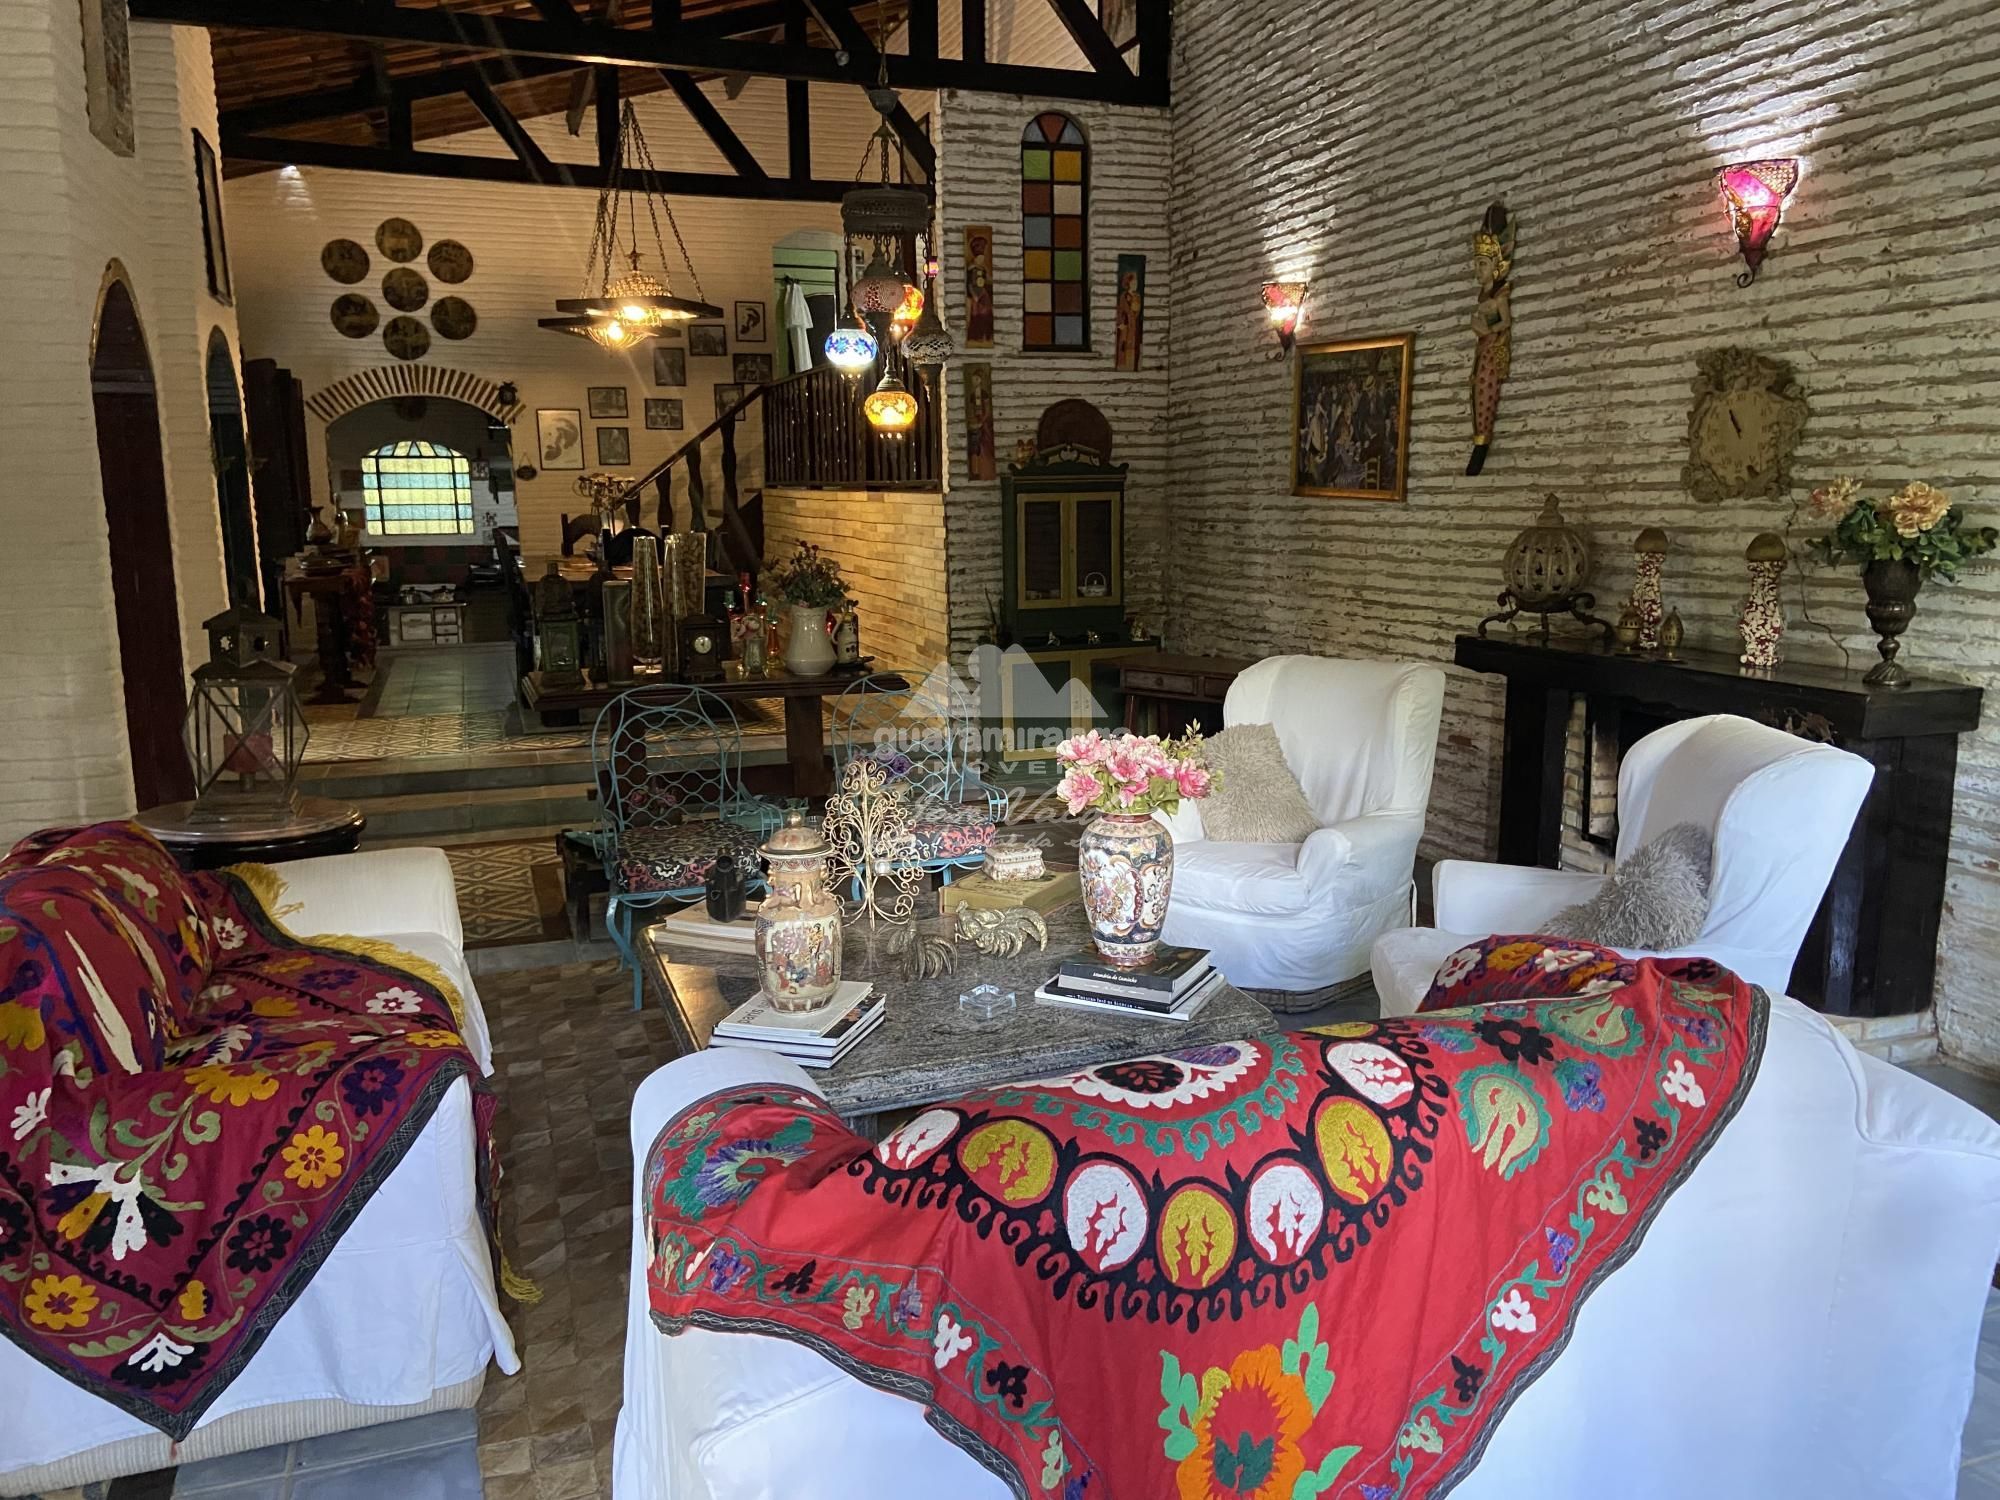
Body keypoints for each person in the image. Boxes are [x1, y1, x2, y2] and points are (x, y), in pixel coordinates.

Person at [1467, 200, 1515, 476]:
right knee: (1475, 390)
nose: (1478, 270)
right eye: (1476, 264)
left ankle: (1481, 444)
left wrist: (1488, 329)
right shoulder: (1483, 295)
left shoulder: (1500, 295)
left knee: (1485, 393)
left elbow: (1506, 322)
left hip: (1492, 347)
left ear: (1497, 264)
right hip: (1483, 348)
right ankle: (1479, 441)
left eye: (1483, 263)